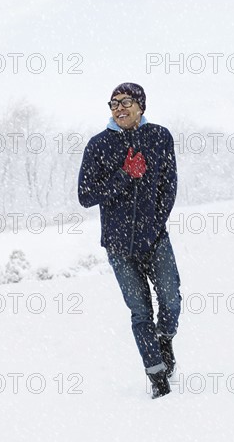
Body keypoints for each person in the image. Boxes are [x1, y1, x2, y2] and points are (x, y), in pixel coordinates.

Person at [78, 82, 182, 399]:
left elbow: (169, 185)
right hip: (119, 245)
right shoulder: (98, 145)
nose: (119, 108)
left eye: (126, 102)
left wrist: (154, 224)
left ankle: (164, 339)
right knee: (139, 313)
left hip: (155, 239)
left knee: (171, 300)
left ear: (141, 106)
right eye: (113, 103)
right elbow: (85, 196)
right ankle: (158, 378)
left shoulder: (159, 137)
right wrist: (125, 174)